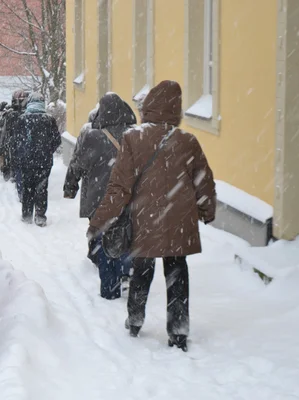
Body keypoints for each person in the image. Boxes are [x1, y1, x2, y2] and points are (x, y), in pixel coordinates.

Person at [88, 81, 216, 351]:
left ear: (150, 107)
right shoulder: (188, 141)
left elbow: (119, 186)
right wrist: (207, 210)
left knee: (142, 271)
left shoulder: (134, 138)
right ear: (176, 110)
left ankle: (135, 319)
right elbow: (204, 180)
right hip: (179, 222)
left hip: (145, 219)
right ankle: (178, 331)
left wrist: (100, 220)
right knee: (177, 272)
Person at [64, 93, 136, 300]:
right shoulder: (134, 135)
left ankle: (109, 288)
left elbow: (78, 164)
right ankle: (126, 272)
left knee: (103, 238)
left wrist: (70, 186)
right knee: (126, 235)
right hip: (127, 196)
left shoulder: (93, 136)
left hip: (99, 198)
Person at [14, 92, 60, 227]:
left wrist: (21, 154)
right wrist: (48, 150)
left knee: (27, 187)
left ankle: (27, 214)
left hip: (26, 161)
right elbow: (56, 140)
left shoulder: (22, 119)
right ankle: (40, 216)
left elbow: (16, 141)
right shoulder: (49, 120)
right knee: (42, 188)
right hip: (44, 161)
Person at [2, 90, 30, 197]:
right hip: (24, 146)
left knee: (18, 168)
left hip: (16, 146)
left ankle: (22, 191)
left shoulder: (11, 115)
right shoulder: (29, 114)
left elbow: (6, 132)